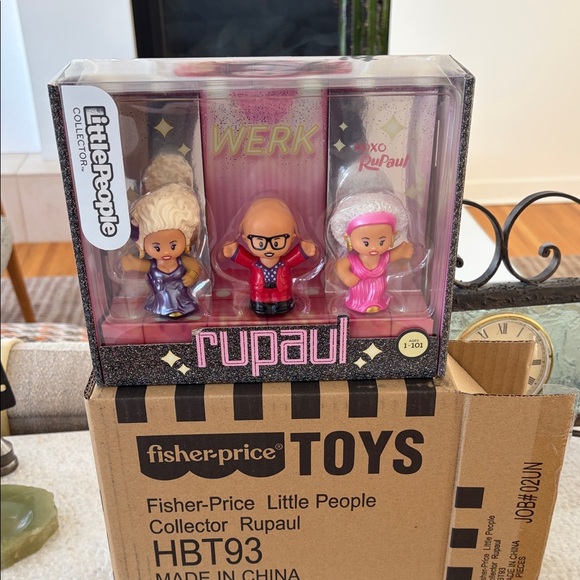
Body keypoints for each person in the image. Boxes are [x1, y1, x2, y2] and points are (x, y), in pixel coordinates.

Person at [222, 198, 316, 315]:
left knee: (282, 300)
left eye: (276, 242)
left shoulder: (284, 263)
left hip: (282, 290)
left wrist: (304, 250)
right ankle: (260, 305)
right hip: (259, 291)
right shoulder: (255, 264)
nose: (268, 248)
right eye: (260, 243)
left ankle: (281, 304)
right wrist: (234, 252)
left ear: (292, 238)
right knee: (260, 301)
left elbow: (294, 258)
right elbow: (244, 259)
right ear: (246, 239)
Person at [122, 183, 202, 317]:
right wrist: (132, 264)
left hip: (183, 300)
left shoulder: (182, 261)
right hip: (162, 301)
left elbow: (195, 266)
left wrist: (192, 275)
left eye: (173, 246)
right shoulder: (154, 265)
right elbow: (143, 265)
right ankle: (168, 310)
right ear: (143, 245)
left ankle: (179, 309)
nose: (166, 252)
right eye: (157, 248)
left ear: (186, 240)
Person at [329, 191, 413, 314]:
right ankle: (361, 304)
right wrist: (346, 276)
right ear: (349, 238)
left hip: (379, 294)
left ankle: (377, 302)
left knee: (378, 299)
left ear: (392, 236)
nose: (374, 247)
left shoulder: (383, 258)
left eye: (381, 241)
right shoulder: (353, 259)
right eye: (366, 243)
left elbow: (393, 255)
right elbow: (340, 265)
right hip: (358, 294)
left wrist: (402, 251)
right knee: (359, 299)